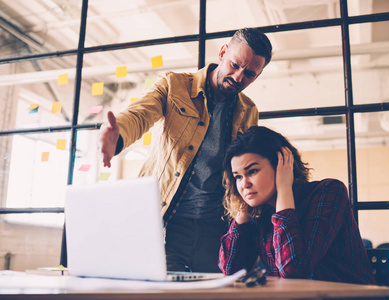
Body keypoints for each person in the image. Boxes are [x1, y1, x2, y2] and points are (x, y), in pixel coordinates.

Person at [97, 28, 273, 273]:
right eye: (235, 64)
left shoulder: (248, 111)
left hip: (217, 225)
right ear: (223, 52)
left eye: (250, 74)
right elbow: (139, 115)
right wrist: (117, 137)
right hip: (166, 219)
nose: (238, 76)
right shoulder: (174, 85)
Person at [219, 126, 376, 284]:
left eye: (252, 171)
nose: (244, 184)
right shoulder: (260, 213)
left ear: (282, 165)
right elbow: (232, 272)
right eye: (238, 177)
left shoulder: (328, 192)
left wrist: (284, 189)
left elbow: (293, 269)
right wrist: (242, 207)